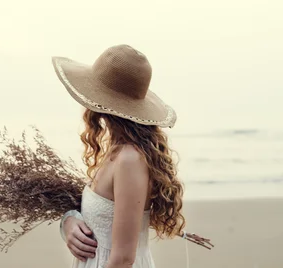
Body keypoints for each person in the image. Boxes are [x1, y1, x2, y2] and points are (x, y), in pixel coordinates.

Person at [51, 44, 184, 268]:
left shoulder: (130, 160)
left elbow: (123, 259)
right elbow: (103, 218)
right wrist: (69, 221)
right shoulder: (118, 151)